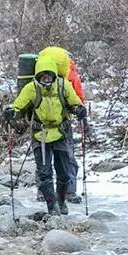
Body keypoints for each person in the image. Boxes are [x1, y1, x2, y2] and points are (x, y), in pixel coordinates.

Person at [3, 47, 87, 216]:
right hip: (39, 135)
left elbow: (75, 102)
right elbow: (19, 106)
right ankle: (53, 208)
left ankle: (61, 201)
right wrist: (12, 112)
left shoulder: (63, 86)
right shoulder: (31, 89)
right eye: (43, 76)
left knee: (63, 172)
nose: (46, 79)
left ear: (55, 75)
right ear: (38, 75)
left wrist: (79, 110)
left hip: (61, 133)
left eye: (49, 76)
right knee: (44, 173)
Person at [39, 45, 87, 203]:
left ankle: (43, 191)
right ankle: (70, 191)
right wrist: (82, 111)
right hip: (63, 122)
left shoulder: (39, 73)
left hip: (40, 125)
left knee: (43, 158)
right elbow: (77, 91)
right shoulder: (68, 70)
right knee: (67, 156)